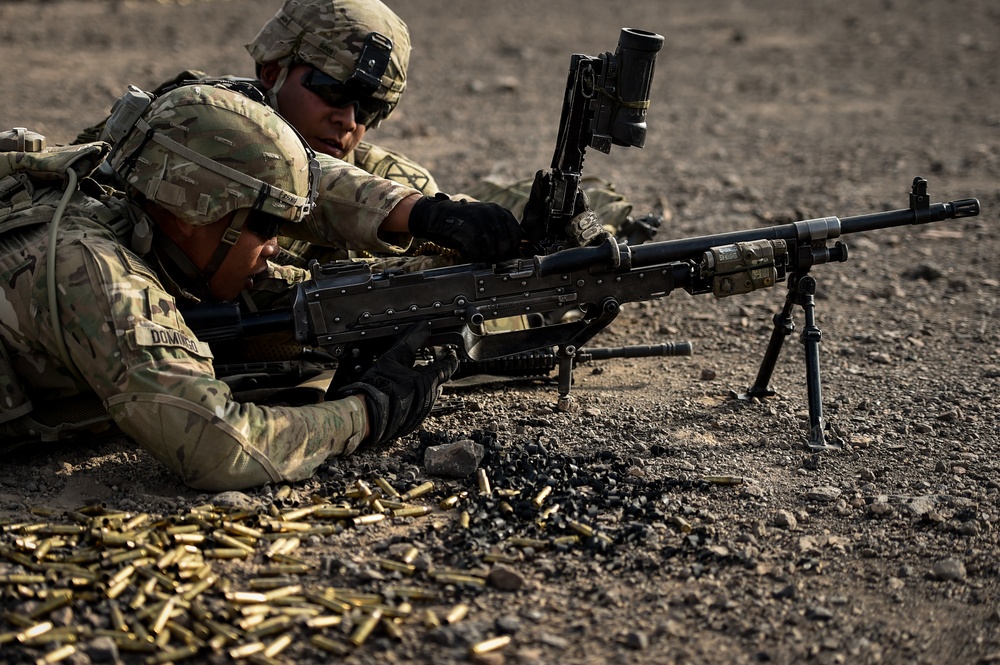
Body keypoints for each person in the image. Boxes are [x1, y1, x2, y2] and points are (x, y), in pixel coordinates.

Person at [0, 84, 520, 491]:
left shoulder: (147, 193)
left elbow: (299, 196)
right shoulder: (90, 269)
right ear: (198, 211)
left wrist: (432, 228)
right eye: (265, 227)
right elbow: (216, 448)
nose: (275, 247)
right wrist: (364, 414)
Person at [75, 0, 647, 268]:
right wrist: (423, 216)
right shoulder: (205, 123)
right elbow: (305, 183)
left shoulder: (366, 166)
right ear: (273, 71)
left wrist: (513, 239)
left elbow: (406, 198)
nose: (348, 119)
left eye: (370, 107)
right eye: (329, 89)